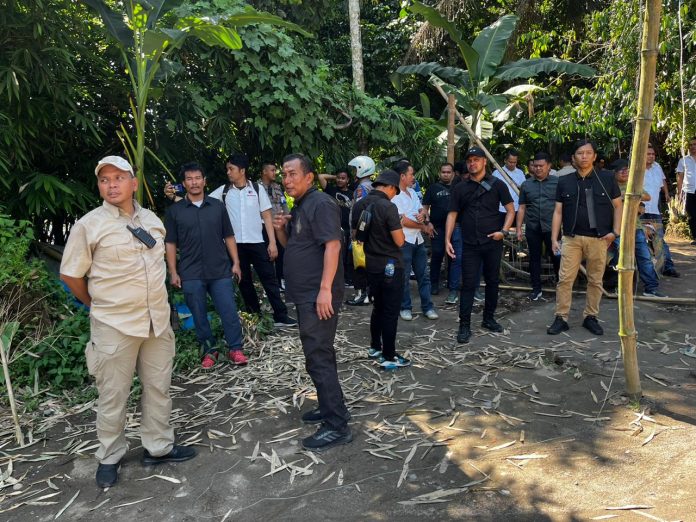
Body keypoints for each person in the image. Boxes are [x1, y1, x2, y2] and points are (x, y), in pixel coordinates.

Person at [60, 156, 195, 489]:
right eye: (105, 180)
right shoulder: (88, 225)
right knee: (113, 395)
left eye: (119, 178)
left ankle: (158, 447)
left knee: (158, 388)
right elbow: (71, 273)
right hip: (114, 325)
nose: (111, 185)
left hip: (156, 323)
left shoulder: (151, 220)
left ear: (134, 183)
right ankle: (109, 456)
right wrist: (95, 304)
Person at [273, 153, 352, 451]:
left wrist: (324, 290)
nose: (287, 179)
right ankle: (332, 407)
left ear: (309, 176)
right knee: (320, 354)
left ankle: (336, 425)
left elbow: (333, 245)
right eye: (284, 174)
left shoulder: (320, 203)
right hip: (306, 293)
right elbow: (291, 247)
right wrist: (281, 228)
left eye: (293, 173)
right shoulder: (303, 205)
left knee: (318, 356)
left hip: (316, 295)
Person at [164, 162, 248, 369]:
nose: (194, 182)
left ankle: (235, 348)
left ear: (204, 181)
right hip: (191, 272)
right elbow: (171, 243)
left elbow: (229, 236)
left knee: (228, 309)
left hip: (219, 269)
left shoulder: (217, 206)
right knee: (199, 314)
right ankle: (209, 349)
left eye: (197, 178)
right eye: (189, 179)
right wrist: (173, 271)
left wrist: (236, 263)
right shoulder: (175, 211)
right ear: (184, 183)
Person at [209, 154, 297, 327]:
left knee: (269, 279)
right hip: (235, 246)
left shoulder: (256, 189)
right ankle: (255, 316)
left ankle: (281, 315)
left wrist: (272, 243)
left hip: (257, 242)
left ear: (242, 170)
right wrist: (176, 196)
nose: (228, 172)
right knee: (244, 281)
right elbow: (203, 203)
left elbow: (266, 215)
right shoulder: (224, 191)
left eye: (231, 169)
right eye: (227, 169)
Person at [547, 139, 622, 336]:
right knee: (564, 279)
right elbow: (558, 212)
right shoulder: (564, 182)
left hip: (599, 239)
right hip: (572, 239)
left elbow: (618, 206)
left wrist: (615, 232)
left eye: (589, 153)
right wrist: (555, 238)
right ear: (573, 158)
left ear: (595, 156)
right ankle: (561, 317)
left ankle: (591, 316)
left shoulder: (606, 178)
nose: (584, 156)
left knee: (596, 280)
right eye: (580, 153)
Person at [446, 147, 515, 344]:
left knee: (492, 281)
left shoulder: (498, 185)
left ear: (485, 162)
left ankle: (488, 318)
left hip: (492, 242)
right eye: (469, 160)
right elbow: (452, 214)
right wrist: (447, 240)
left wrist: (503, 231)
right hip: (469, 244)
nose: (472, 163)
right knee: (468, 284)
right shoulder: (460, 187)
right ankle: (464, 325)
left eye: (477, 160)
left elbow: (511, 210)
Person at [351, 170, 409, 369]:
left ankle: (375, 347)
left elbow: (356, 234)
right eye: (395, 192)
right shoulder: (388, 206)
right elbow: (399, 241)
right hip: (392, 265)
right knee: (391, 312)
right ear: (391, 187)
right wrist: (399, 223)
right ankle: (389, 356)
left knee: (378, 308)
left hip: (372, 265)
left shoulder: (360, 205)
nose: (394, 195)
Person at [605, 159, 667, 298]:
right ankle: (619, 287)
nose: (625, 172)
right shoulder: (608, 186)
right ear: (613, 172)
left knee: (644, 257)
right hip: (617, 228)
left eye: (627, 169)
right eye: (621, 170)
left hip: (636, 227)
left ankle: (650, 289)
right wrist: (621, 198)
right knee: (621, 258)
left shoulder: (631, 185)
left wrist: (629, 197)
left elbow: (647, 196)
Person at [392, 160, 439, 321]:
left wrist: (424, 217)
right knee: (404, 277)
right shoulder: (394, 195)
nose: (413, 177)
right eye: (411, 174)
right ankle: (405, 307)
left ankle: (428, 307)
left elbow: (422, 210)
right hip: (404, 241)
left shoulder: (412, 192)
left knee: (423, 275)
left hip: (418, 241)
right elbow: (402, 221)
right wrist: (423, 226)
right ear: (402, 176)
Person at [516, 152, 560, 301]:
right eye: (535, 166)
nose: (538, 169)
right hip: (533, 227)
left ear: (549, 166)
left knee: (557, 258)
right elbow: (522, 207)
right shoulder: (526, 184)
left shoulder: (557, 183)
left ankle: (561, 288)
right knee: (534, 259)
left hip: (552, 229)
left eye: (541, 166)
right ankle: (536, 289)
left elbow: (563, 208)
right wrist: (518, 229)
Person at [423, 162, 461, 304]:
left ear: (453, 173)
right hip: (437, 227)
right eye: (443, 172)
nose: (446, 174)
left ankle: (452, 285)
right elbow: (425, 208)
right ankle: (434, 283)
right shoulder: (433, 188)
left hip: (456, 227)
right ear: (440, 173)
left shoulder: (458, 188)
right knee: (438, 254)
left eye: (448, 172)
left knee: (454, 256)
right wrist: (428, 223)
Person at [641, 144, 679, 277]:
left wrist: (667, 193)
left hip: (654, 211)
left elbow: (662, 181)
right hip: (640, 211)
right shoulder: (636, 169)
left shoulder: (657, 167)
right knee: (641, 241)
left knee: (659, 240)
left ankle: (668, 267)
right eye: (648, 154)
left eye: (652, 154)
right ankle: (646, 270)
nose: (651, 156)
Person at [346, 155, 376, 306]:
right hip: (371, 232)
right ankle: (369, 294)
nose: (353, 173)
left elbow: (359, 211)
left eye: (354, 169)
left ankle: (361, 295)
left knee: (358, 264)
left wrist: (355, 232)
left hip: (360, 233)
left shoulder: (361, 189)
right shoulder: (373, 186)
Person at [320, 168, 354, 287]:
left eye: (343, 178)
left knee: (349, 256)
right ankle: (338, 279)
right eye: (339, 178)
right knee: (338, 254)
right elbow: (320, 177)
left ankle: (348, 278)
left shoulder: (352, 193)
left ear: (348, 180)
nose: (340, 180)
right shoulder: (331, 190)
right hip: (336, 228)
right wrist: (336, 176)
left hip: (350, 229)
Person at [259, 160, 290, 288]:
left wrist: (287, 218)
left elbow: (284, 203)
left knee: (281, 253)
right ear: (264, 172)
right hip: (264, 226)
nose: (275, 173)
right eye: (272, 170)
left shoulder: (277, 187)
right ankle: (270, 283)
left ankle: (281, 280)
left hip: (279, 225)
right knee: (268, 254)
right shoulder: (257, 187)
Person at [493, 148, 526, 220]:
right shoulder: (497, 172)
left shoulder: (520, 173)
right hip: (500, 208)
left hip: (516, 207)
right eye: (510, 162)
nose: (512, 164)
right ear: (505, 160)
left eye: (515, 162)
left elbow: (524, 188)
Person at [676, 136, 696, 245]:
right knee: (692, 215)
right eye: (691, 145)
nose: (693, 147)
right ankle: (695, 237)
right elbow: (680, 177)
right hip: (689, 191)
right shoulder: (683, 160)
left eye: (695, 144)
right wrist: (679, 193)